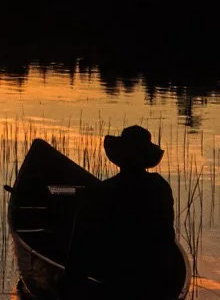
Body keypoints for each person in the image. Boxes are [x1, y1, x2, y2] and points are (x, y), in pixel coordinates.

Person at [68, 125, 178, 291]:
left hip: (114, 275)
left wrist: (72, 282)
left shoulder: (103, 191)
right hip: (156, 275)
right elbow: (167, 236)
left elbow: (83, 242)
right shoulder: (160, 186)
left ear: (120, 158)